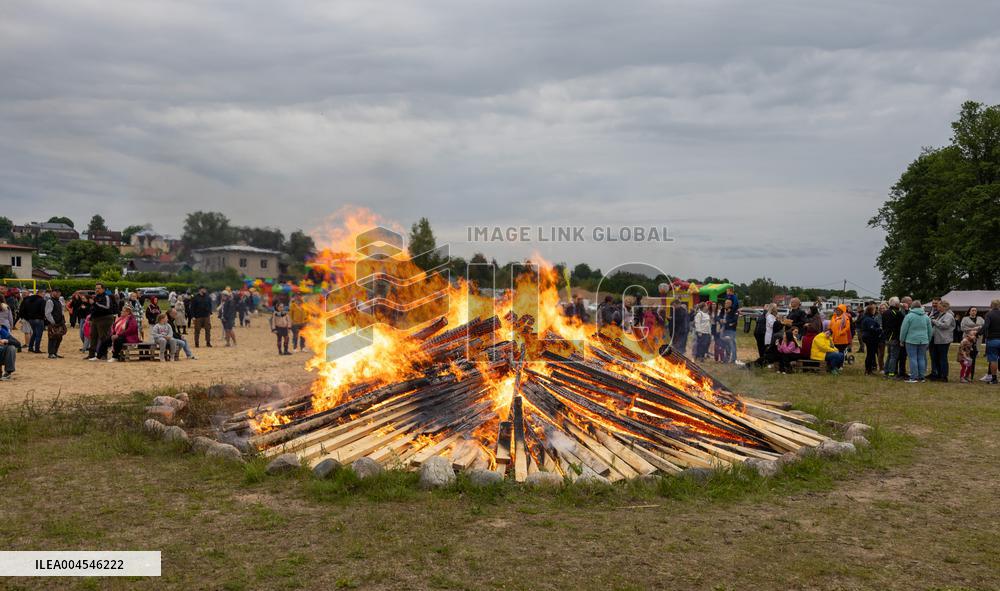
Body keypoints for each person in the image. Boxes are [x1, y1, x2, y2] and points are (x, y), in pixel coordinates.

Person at [900, 300, 932, 383]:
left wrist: (902, 340)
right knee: (921, 358)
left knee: (912, 358)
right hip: (924, 340)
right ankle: (922, 377)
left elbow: (904, 330)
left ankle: (913, 377)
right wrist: (928, 339)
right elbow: (930, 330)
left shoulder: (909, 316)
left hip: (911, 340)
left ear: (912, 307)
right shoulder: (926, 317)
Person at [87, 283, 115, 360]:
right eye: (96, 288)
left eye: (98, 288)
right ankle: (91, 355)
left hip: (105, 318)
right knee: (93, 336)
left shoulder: (106, 296)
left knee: (103, 337)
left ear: (103, 289)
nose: (97, 290)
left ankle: (103, 354)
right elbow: (93, 308)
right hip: (95, 319)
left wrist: (95, 303)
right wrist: (91, 318)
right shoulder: (96, 297)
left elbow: (107, 307)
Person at [929, 300, 955, 382]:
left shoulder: (948, 316)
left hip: (943, 340)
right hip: (937, 339)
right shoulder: (940, 314)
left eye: (940, 306)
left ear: (945, 307)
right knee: (936, 357)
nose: (938, 307)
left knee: (943, 358)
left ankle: (944, 376)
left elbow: (945, 325)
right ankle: (938, 374)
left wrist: (933, 321)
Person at [18, 289, 46, 354]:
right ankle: (37, 349)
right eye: (43, 293)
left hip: (30, 319)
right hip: (39, 319)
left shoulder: (29, 300)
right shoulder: (42, 300)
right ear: (41, 293)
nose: (44, 295)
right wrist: (43, 318)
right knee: (38, 335)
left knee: (34, 333)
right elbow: (43, 310)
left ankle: (30, 348)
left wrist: (27, 317)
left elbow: (25, 309)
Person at [960, 307, 984, 379]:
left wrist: (977, 330)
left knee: (974, 356)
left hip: (977, 339)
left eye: (975, 310)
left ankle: (971, 375)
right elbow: (963, 328)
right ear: (969, 312)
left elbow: (984, 327)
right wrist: (975, 328)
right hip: (967, 339)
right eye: (972, 310)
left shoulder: (980, 319)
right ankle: (965, 375)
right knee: (966, 357)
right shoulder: (965, 319)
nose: (974, 312)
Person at [859, 304, 882, 375]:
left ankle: (868, 370)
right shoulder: (869, 319)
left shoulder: (866, 317)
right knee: (870, 354)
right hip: (870, 338)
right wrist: (880, 329)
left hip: (867, 337)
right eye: (874, 309)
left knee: (870, 354)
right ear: (871, 311)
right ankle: (868, 370)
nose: (875, 311)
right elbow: (872, 329)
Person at [44, 288, 67, 359]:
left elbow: (61, 311)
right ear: (52, 293)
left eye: (59, 292)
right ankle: (51, 353)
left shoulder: (59, 301)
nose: (58, 293)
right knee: (52, 338)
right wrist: (53, 322)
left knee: (59, 338)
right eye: (56, 292)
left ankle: (55, 352)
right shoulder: (50, 301)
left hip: (59, 323)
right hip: (53, 323)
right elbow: (47, 313)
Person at [981, 299, 1000, 384]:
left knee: (993, 360)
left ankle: (994, 379)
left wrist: (978, 333)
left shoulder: (989, 314)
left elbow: (986, 326)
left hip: (992, 340)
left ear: (990, 305)